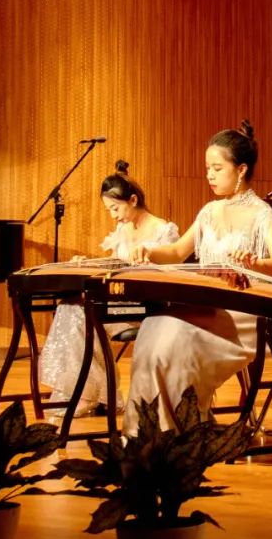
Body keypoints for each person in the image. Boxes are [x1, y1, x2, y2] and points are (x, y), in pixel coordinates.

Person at [127, 120, 272, 432]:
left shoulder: (261, 214)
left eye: (217, 168)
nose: (209, 175)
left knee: (178, 336)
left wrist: (255, 262)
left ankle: (179, 425)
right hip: (206, 303)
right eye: (207, 169)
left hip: (243, 310)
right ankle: (149, 430)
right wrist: (149, 251)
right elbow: (177, 252)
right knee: (157, 325)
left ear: (241, 170)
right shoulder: (209, 211)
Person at [39, 160, 178, 417]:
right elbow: (114, 266)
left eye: (115, 208)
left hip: (147, 307)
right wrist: (88, 264)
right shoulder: (123, 229)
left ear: (133, 200)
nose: (113, 216)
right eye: (109, 210)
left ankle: (88, 394)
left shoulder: (163, 231)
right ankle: (89, 393)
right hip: (118, 300)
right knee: (71, 306)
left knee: (80, 312)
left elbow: (169, 276)